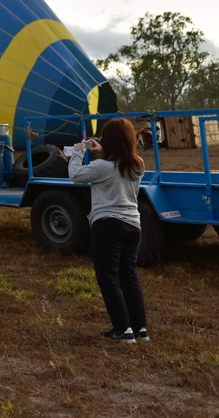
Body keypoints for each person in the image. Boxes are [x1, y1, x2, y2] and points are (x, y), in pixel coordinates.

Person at [66, 118, 148, 344]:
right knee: (129, 277)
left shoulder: (101, 167)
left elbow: (75, 175)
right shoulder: (137, 164)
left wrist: (77, 152)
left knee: (108, 278)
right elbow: (117, 161)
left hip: (108, 225)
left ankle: (122, 328)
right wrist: (102, 150)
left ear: (109, 140)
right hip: (133, 225)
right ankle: (140, 328)